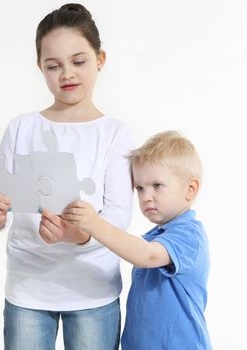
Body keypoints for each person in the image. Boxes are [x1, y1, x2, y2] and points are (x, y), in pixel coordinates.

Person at [0, 3, 133, 350]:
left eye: (78, 61)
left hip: (92, 290)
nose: (67, 74)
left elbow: (119, 216)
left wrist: (79, 235)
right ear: (40, 68)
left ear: (100, 60)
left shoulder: (114, 133)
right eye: (53, 66)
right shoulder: (21, 128)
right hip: (28, 289)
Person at [63, 130, 212, 349]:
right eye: (139, 188)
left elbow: (148, 255)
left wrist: (94, 224)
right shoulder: (155, 236)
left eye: (157, 186)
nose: (145, 196)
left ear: (190, 189)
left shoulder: (189, 234)